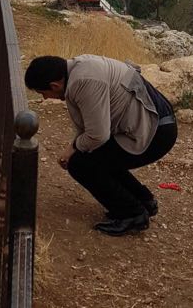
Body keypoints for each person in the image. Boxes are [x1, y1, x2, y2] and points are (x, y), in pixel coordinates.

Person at [24, 55, 177, 236]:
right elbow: (95, 129)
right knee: (99, 156)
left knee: (81, 164)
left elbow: (97, 135)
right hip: (157, 124)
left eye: (43, 93)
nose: (46, 98)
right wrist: (77, 146)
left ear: (54, 86)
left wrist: (72, 149)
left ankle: (132, 214)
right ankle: (144, 201)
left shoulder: (82, 81)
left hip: (155, 133)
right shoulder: (81, 66)